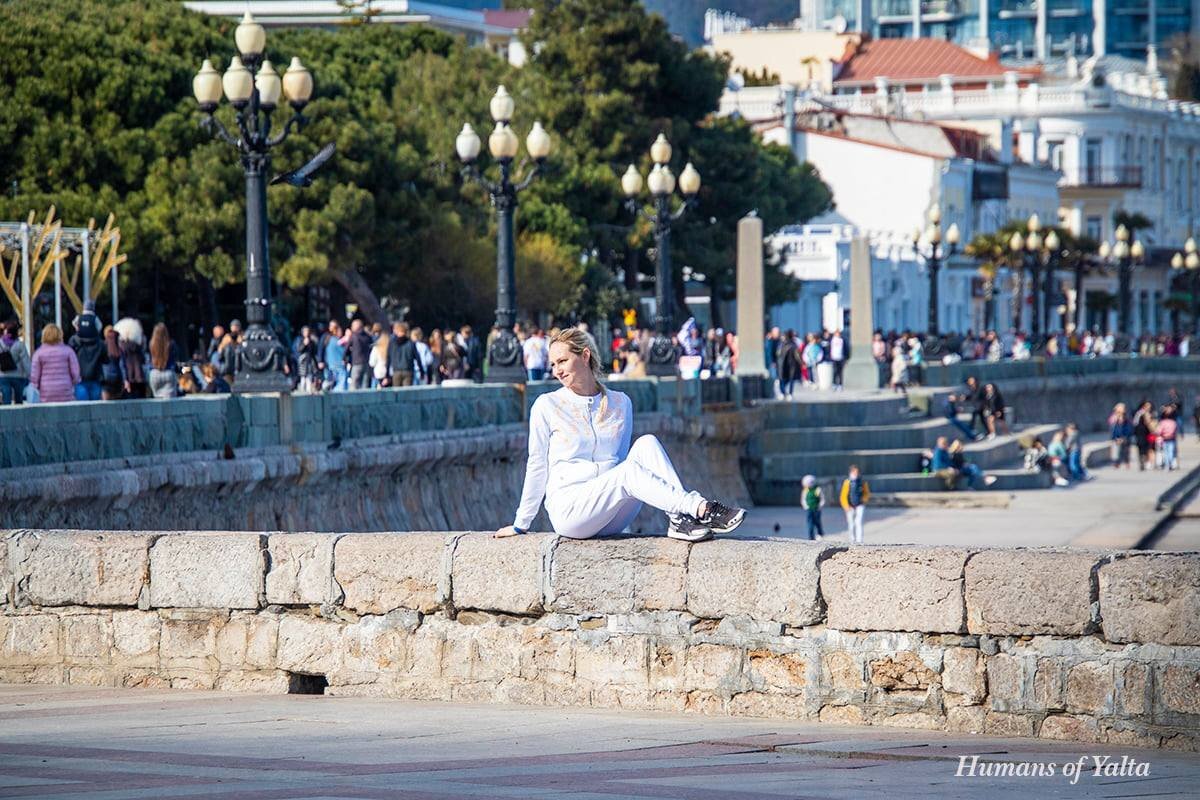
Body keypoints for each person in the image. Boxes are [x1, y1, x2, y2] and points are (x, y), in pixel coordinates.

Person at [494, 327, 746, 543]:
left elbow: (621, 460)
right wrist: (521, 523)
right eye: (553, 364)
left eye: (562, 361)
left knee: (647, 444)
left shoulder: (620, 403)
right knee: (628, 472)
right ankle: (700, 508)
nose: (556, 370)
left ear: (584, 356)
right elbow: (537, 464)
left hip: (612, 511)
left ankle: (679, 520)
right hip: (571, 511)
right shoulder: (547, 405)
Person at [29, 323, 80, 403]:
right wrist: (73, 382)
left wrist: (37, 386)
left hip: (46, 392)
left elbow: (34, 377)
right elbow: (76, 374)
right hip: (65, 390)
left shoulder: (39, 353)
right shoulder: (68, 351)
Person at [69, 300, 105, 401]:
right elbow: (100, 327)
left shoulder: (75, 339)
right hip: (95, 376)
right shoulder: (96, 320)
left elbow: (74, 323)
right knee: (96, 406)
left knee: (82, 406)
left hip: (80, 377)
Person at [114, 317, 147, 399]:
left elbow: (122, 363)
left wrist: (124, 378)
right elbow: (143, 360)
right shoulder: (138, 347)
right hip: (139, 377)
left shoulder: (121, 347)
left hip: (128, 378)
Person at [0, 321, 31, 405]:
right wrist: (30, 375)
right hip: (18, 375)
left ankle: (6, 416)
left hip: (3, 375)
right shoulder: (20, 345)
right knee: (18, 399)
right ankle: (19, 416)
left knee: (6, 397)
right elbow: (26, 362)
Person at [146, 323, 178, 398]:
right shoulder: (171, 344)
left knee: (157, 401)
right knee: (169, 404)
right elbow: (175, 357)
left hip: (154, 374)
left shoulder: (151, 344)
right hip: (168, 372)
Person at [839, 465, 870, 544]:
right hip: (850, 505)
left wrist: (864, 500)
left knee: (859, 522)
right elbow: (843, 495)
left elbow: (866, 493)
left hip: (860, 504)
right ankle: (852, 539)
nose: (856, 473)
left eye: (857, 472)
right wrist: (845, 505)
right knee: (851, 523)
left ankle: (859, 540)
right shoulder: (847, 482)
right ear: (851, 472)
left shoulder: (862, 481)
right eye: (854, 472)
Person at [346, 319, 373, 390]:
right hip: (367, 362)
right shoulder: (368, 337)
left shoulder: (354, 336)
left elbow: (347, 348)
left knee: (354, 383)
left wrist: (344, 358)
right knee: (365, 384)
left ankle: (353, 399)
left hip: (357, 362)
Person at [776, 329, 800, 399]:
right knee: (790, 380)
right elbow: (797, 355)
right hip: (792, 365)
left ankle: (783, 392)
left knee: (783, 379)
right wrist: (801, 363)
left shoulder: (781, 345)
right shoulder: (793, 344)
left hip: (783, 365)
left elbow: (778, 354)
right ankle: (789, 393)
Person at [295, 326, 319, 393]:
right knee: (303, 377)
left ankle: (308, 390)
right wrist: (304, 344)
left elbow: (314, 352)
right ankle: (302, 390)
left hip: (310, 361)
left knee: (309, 376)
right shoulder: (300, 340)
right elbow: (299, 350)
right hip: (303, 361)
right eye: (305, 331)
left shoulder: (312, 341)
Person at [1109, 403, 1134, 469]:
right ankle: (1116, 463)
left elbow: (1129, 429)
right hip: (1116, 438)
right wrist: (1115, 438)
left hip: (1125, 438)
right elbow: (1112, 430)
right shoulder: (1113, 419)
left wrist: (1124, 437)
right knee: (1116, 451)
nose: (1120, 413)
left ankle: (1126, 462)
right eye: (1118, 411)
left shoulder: (1127, 419)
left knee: (1126, 451)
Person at [801, 474, 824, 541]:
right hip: (809, 510)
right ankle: (811, 537)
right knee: (810, 524)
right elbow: (803, 499)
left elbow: (822, 499)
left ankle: (820, 534)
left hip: (817, 509)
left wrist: (820, 506)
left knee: (817, 522)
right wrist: (806, 506)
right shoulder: (805, 490)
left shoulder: (818, 490)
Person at [1158, 406, 1180, 471]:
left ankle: (1167, 465)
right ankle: (1170, 463)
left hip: (1164, 439)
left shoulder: (1162, 422)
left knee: (1165, 452)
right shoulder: (1173, 423)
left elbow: (1158, 431)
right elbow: (1175, 430)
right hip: (1171, 439)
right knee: (1171, 452)